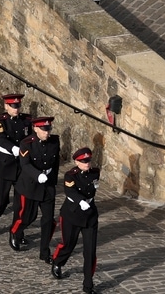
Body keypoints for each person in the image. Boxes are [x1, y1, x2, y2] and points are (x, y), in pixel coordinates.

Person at [9, 116, 59, 265]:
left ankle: (44, 252)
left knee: (48, 220)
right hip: (30, 185)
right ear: (35, 129)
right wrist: (38, 175)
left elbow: (55, 163)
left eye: (48, 129)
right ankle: (15, 232)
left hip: (47, 185)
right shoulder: (26, 144)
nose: (47, 132)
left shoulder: (55, 141)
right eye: (44, 130)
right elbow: (25, 164)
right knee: (27, 217)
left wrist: (52, 181)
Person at [51, 147, 100, 294]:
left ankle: (88, 285)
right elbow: (70, 191)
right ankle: (58, 262)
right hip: (72, 214)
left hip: (90, 215)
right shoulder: (70, 175)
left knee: (90, 251)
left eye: (88, 161)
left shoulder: (95, 172)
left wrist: (88, 202)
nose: (87, 164)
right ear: (76, 162)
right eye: (83, 161)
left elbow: (94, 187)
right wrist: (80, 201)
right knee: (68, 245)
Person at [0, 94, 32, 234]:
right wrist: (13, 148)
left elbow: (30, 137)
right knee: (1, 200)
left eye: (17, 106)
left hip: (20, 165)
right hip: (4, 164)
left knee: (20, 202)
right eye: (13, 107)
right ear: (6, 106)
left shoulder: (26, 120)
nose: (16, 109)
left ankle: (17, 230)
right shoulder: (0, 121)